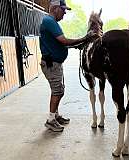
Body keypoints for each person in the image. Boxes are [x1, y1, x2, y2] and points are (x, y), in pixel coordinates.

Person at [40, 0, 95, 132]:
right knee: (57, 91)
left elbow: (59, 43)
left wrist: (76, 45)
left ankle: (55, 115)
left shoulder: (51, 22)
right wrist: (84, 38)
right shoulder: (49, 21)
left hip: (54, 63)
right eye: (63, 9)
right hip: (51, 64)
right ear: (55, 8)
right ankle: (51, 120)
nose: (64, 13)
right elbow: (63, 41)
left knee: (59, 90)